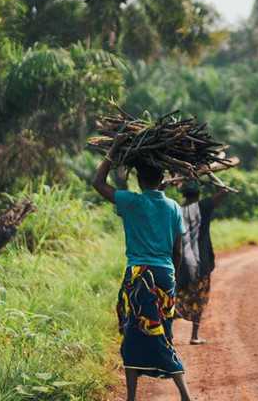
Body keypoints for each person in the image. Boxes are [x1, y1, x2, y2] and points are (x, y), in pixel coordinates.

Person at [92, 154, 194, 401]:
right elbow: (178, 250)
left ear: (138, 179)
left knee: (134, 335)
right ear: (162, 178)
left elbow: (98, 182)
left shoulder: (131, 202)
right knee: (163, 332)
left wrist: (112, 154)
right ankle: (183, 394)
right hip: (165, 275)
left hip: (139, 276)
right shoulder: (173, 207)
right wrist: (172, 279)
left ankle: (132, 398)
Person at [175, 181, 228, 344]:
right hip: (200, 261)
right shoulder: (203, 206)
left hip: (179, 262)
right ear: (198, 194)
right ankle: (194, 336)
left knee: (176, 295)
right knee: (199, 296)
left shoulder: (175, 209)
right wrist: (209, 178)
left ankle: (169, 334)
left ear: (183, 194)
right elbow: (224, 190)